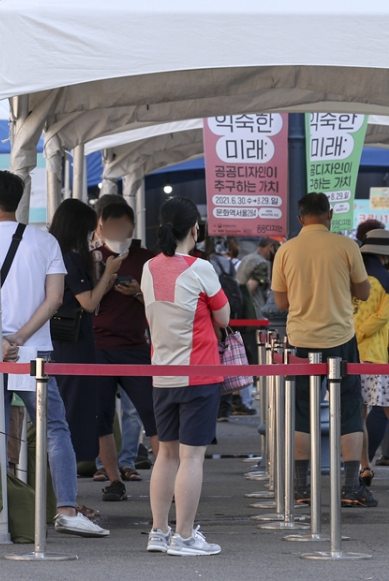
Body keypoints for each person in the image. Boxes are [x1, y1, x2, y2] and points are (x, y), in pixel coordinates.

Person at [0, 170, 108, 537]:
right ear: (20, 198)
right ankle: (67, 509)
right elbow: (54, 298)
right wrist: (20, 338)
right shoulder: (44, 242)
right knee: (55, 428)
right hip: (34, 353)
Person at [272, 192, 374, 507]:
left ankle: (301, 489)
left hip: (302, 340)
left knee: (302, 412)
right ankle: (350, 487)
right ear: (329, 214)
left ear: (300, 218)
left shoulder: (286, 250)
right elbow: (364, 291)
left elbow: (281, 302)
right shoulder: (347, 246)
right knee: (349, 410)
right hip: (340, 339)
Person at [143, 196, 231, 556]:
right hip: (199, 373)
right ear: (195, 229)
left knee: (166, 455)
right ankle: (183, 537)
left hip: (162, 373)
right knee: (192, 457)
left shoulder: (148, 268)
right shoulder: (200, 267)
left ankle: (158, 531)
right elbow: (223, 317)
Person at [48, 198, 130, 501]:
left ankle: (62, 497)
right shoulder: (70, 257)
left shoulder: (54, 253)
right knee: (70, 418)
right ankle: (66, 500)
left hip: (62, 343)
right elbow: (89, 303)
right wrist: (109, 271)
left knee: (67, 416)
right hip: (74, 345)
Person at [90, 198, 160, 497]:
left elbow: (163, 305)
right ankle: (113, 479)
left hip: (136, 348)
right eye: (111, 225)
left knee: (153, 416)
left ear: (132, 225)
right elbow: (84, 302)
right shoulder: (91, 258)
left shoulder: (148, 259)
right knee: (102, 418)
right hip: (98, 348)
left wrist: (138, 293)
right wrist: (106, 278)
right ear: (100, 226)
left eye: (123, 225)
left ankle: (165, 478)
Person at [353, 227, 389, 485]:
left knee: (358, 416)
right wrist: (362, 332)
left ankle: (364, 467)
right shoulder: (388, 280)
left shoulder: (351, 277)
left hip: (352, 356)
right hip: (381, 357)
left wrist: (353, 335)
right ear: (386, 255)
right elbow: (383, 316)